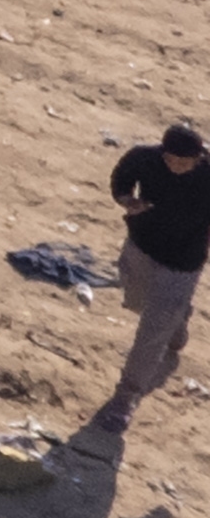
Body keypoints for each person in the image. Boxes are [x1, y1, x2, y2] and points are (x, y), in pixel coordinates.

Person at [100, 121, 210, 440]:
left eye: (184, 162)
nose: (176, 167)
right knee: (137, 302)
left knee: (151, 333)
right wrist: (126, 200)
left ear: (199, 158)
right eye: (171, 160)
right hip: (141, 247)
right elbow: (122, 179)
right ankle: (177, 323)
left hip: (182, 264)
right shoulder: (144, 158)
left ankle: (125, 399)